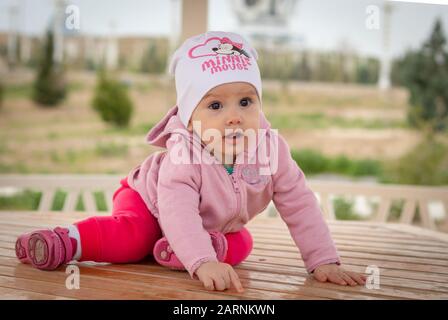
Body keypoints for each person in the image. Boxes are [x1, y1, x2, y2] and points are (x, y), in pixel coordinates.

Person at [15, 31, 366, 292]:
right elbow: (178, 211)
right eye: (215, 106)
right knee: (134, 239)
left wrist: (323, 259)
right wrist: (203, 262)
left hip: (210, 225)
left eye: (246, 102)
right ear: (188, 113)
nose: (234, 117)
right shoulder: (184, 153)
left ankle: (178, 249)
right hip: (148, 202)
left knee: (242, 244)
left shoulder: (271, 150)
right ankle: (68, 240)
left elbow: (300, 203)